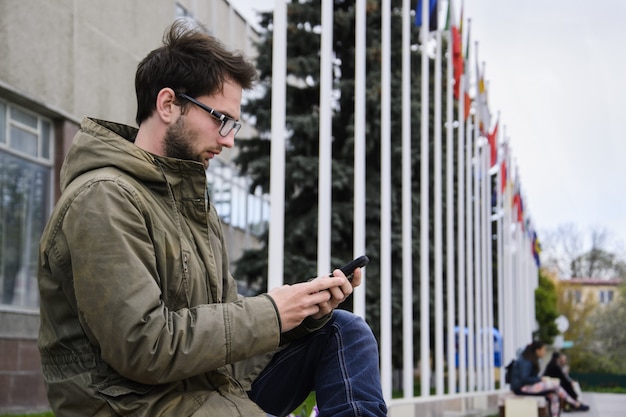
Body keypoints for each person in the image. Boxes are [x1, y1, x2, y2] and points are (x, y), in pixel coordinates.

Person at [37, 19, 387, 417]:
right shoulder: (102, 199)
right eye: (220, 119)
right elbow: (143, 348)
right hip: (136, 405)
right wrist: (272, 311)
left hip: (205, 389)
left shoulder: (192, 202)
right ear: (168, 104)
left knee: (343, 330)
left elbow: (221, 333)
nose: (229, 139)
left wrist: (300, 314)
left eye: (233, 124)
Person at [509, 341, 589, 416]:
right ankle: (575, 404)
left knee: (553, 395)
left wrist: (540, 379)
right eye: (544, 350)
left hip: (526, 387)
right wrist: (540, 379)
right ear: (537, 350)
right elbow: (524, 379)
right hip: (520, 388)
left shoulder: (530, 359)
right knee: (554, 384)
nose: (545, 352)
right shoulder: (526, 361)